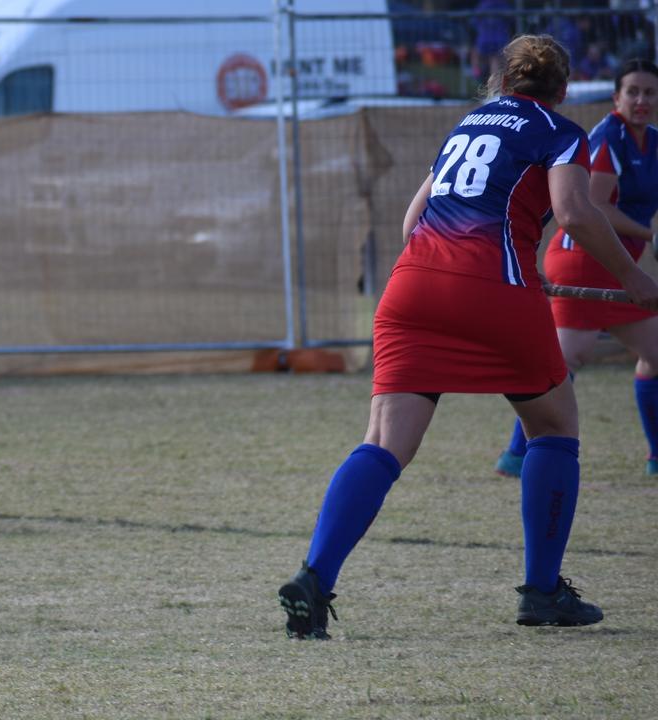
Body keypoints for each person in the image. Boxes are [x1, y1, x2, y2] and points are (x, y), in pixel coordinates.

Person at [275, 35, 658, 640]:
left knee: (383, 441)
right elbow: (577, 213)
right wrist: (636, 278)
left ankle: (314, 579)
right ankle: (541, 591)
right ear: (561, 90)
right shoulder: (560, 130)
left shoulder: (466, 125)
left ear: (499, 82)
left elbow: (411, 222)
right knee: (554, 428)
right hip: (493, 289)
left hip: (411, 287)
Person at [496, 59, 658, 478]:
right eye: (633, 91)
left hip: (615, 264)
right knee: (566, 362)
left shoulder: (653, 142)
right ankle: (516, 455)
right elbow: (597, 207)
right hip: (581, 261)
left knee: (654, 353)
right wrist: (648, 233)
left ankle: (656, 456)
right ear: (616, 97)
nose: (642, 100)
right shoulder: (607, 138)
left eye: (650, 93)